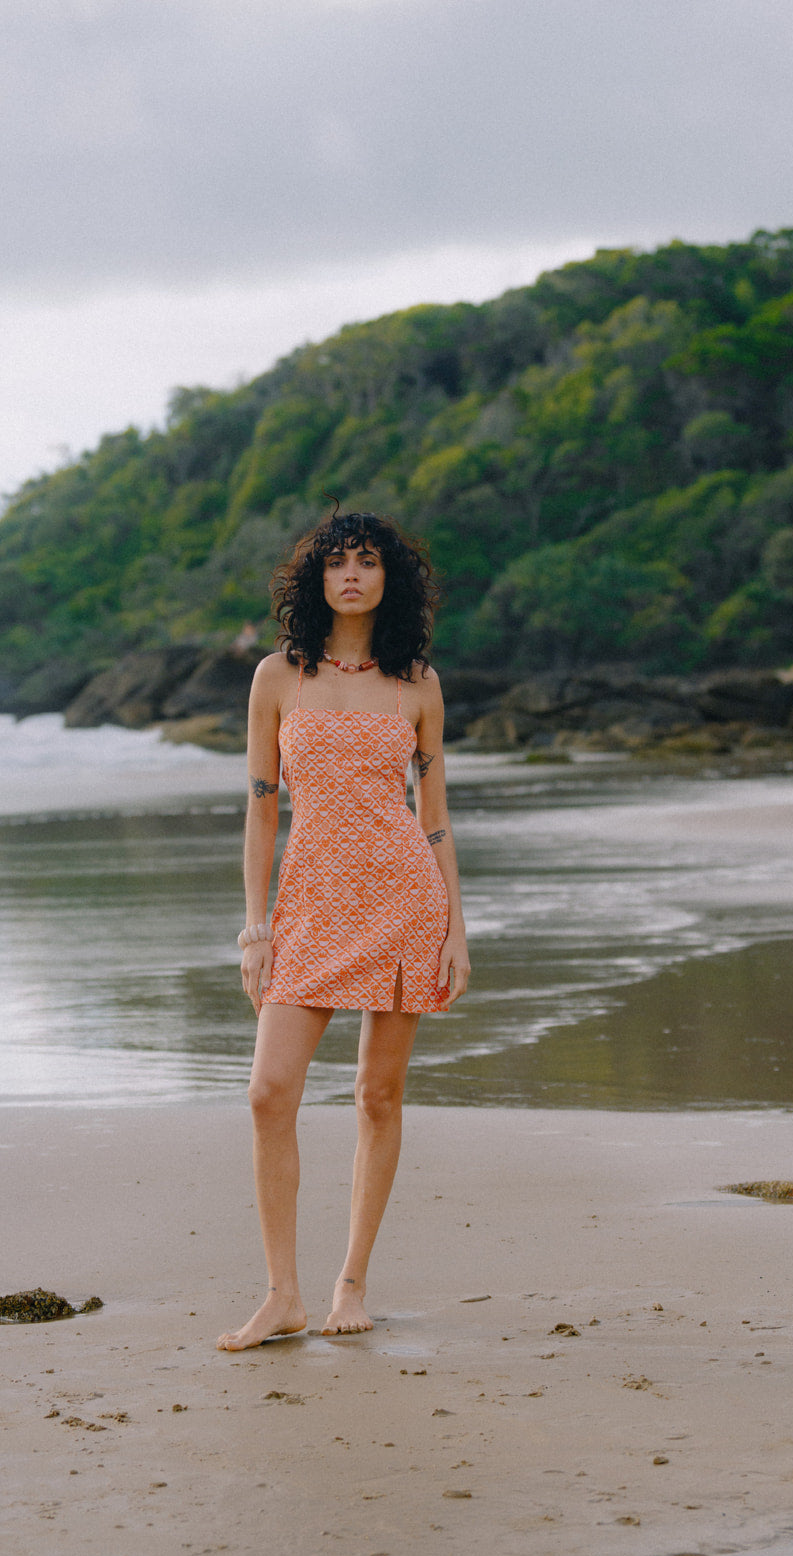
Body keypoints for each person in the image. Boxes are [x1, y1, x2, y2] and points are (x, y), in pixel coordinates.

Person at [216, 508, 470, 1352]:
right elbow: (259, 812)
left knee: (376, 1095)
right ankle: (281, 1293)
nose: (351, 575)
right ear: (315, 579)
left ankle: (350, 1279)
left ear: (388, 579)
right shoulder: (277, 678)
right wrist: (255, 927)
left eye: (367, 562)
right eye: (336, 562)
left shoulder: (417, 683)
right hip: (311, 905)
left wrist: (454, 930)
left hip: (403, 900)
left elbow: (432, 820)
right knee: (267, 1093)